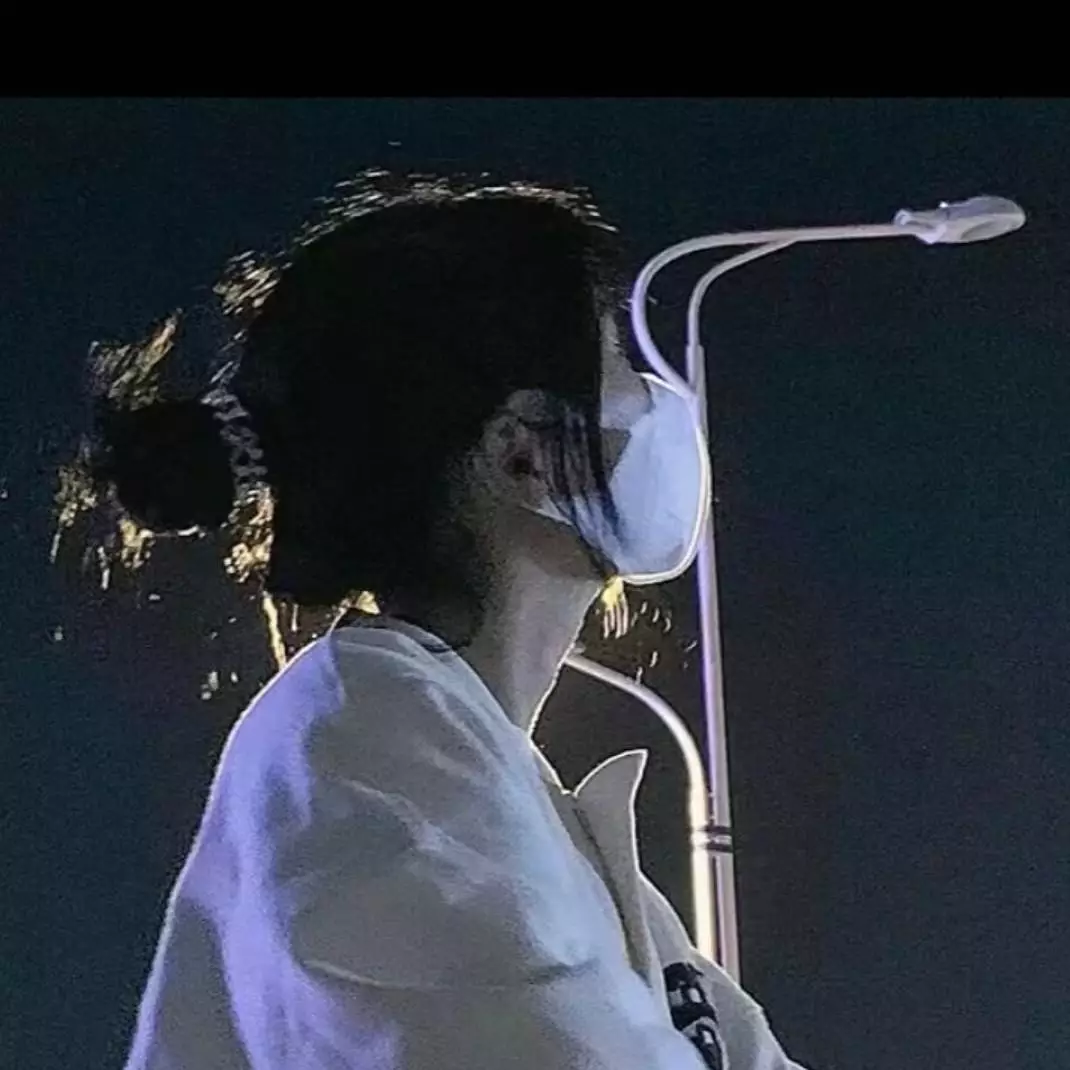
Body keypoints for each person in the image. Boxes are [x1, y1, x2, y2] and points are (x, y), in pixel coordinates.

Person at [81, 172, 810, 1068]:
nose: (658, 403)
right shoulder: (362, 757)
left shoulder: (471, 770)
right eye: (620, 363)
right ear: (522, 452)